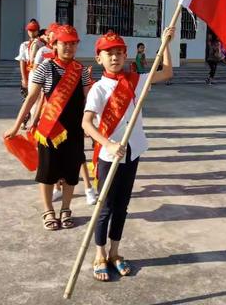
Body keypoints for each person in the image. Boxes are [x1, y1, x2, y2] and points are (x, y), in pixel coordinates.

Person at [83, 28, 175, 282]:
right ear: (99, 58)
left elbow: (167, 72)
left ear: (126, 56)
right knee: (105, 208)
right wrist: (108, 144)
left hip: (132, 151)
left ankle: (115, 252)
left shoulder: (136, 80)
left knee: (122, 206)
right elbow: (86, 124)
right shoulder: (98, 89)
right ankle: (99, 254)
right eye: (109, 53)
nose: (115, 57)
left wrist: (165, 44)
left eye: (119, 53)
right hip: (109, 156)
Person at [4, 25, 92, 230]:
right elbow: (31, 98)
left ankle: (66, 209)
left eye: (73, 44)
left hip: (74, 129)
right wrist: (17, 126)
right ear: (55, 44)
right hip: (50, 128)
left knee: (71, 172)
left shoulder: (81, 70)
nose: (69, 48)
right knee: (47, 171)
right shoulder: (44, 66)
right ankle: (48, 210)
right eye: (64, 43)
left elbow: (90, 99)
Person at [15, 19, 42, 129]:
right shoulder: (24, 45)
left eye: (34, 30)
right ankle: (24, 121)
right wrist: (24, 78)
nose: (31, 32)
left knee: (39, 100)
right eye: (30, 30)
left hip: (39, 73)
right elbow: (22, 61)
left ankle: (37, 122)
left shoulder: (41, 43)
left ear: (38, 31)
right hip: (29, 72)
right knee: (27, 98)